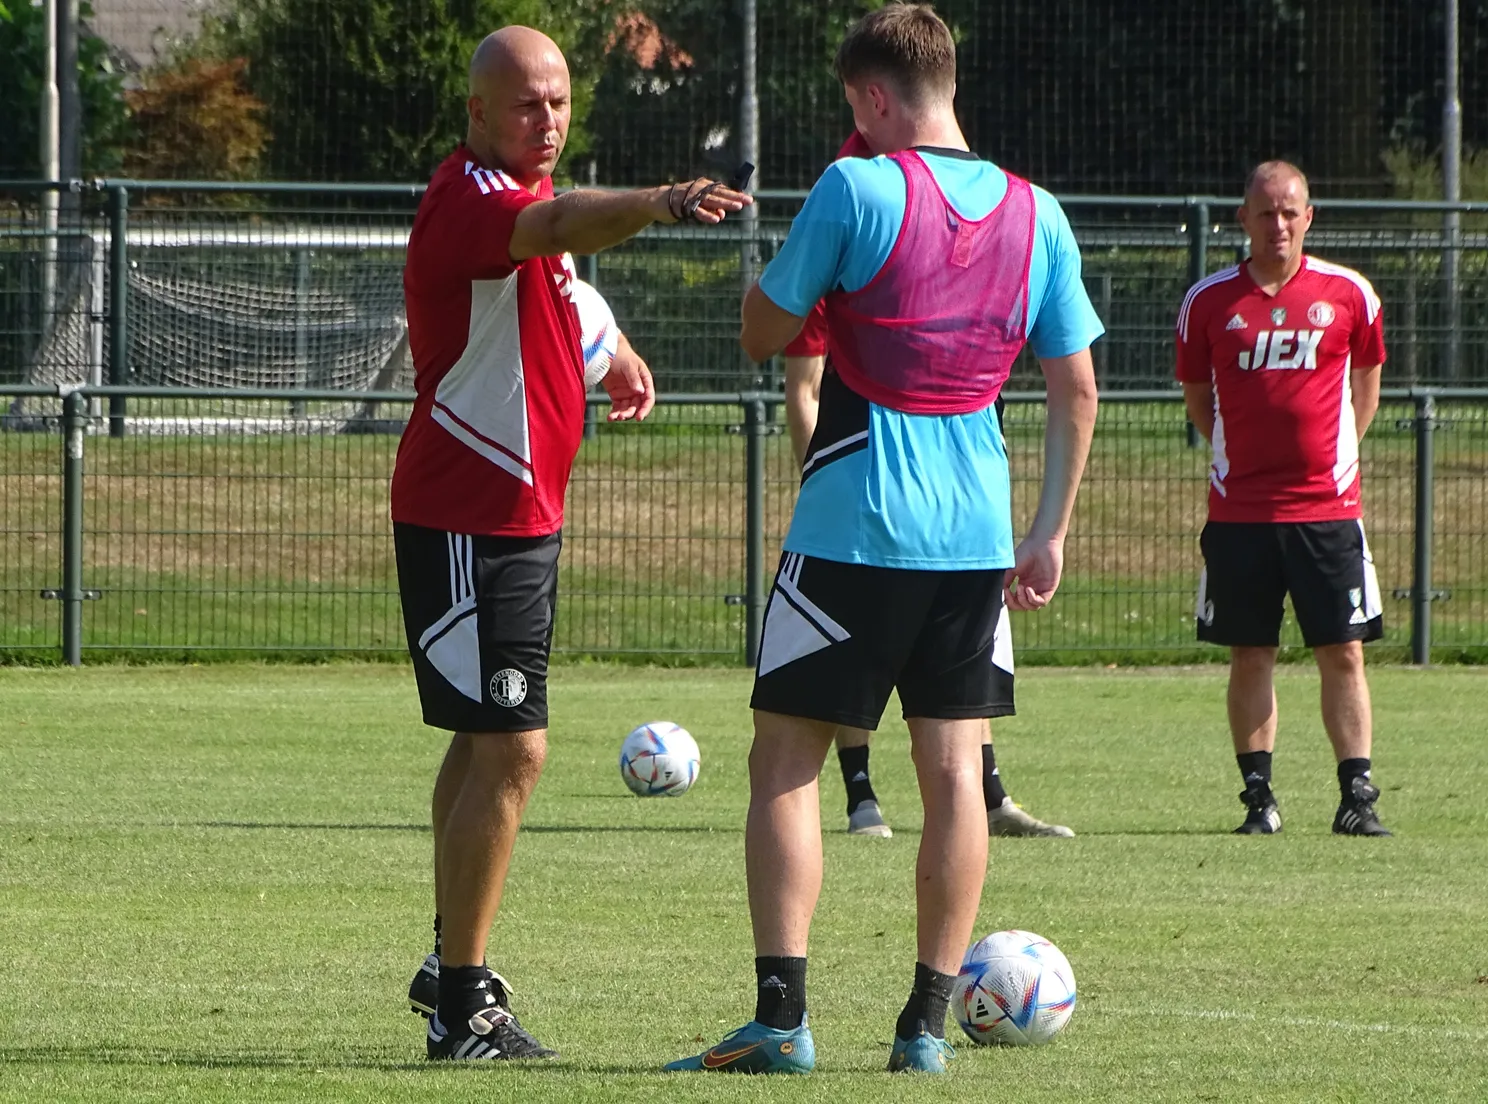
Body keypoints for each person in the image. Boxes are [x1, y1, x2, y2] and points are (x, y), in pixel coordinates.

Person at [667, 3, 1100, 1075]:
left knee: (784, 760)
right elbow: (1076, 384)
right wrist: (1047, 532)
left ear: (870, 98)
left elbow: (763, 331)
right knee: (955, 772)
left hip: (853, 522)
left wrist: (813, 287)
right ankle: (923, 1031)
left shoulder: (855, 186)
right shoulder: (1037, 211)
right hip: (976, 535)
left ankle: (782, 1019)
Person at [392, 25, 750, 1062]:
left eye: (556, 103)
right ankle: (464, 1006)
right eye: (524, 105)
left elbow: (560, 289)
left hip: (522, 519)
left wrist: (617, 352)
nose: (545, 120)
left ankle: (448, 959)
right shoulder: (471, 196)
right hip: (469, 515)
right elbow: (548, 227)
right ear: (477, 113)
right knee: (515, 745)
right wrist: (656, 199)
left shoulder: (519, 218)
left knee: (480, 737)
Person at [786, 258, 1073, 841]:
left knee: (964, 681)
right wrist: (823, 490)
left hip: (964, 509)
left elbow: (1070, 380)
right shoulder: (839, 265)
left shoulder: (989, 249)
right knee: (848, 666)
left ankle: (993, 799)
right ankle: (860, 795)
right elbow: (802, 386)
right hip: (864, 505)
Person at [1175, 160, 1390, 838]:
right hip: (1240, 514)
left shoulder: (1349, 294)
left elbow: (1367, 382)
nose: (1278, 224)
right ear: (1242, 219)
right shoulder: (1207, 302)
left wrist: (1335, 455)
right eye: (1265, 212)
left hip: (1328, 513)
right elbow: (1199, 403)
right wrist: (1243, 455)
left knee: (1344, 651)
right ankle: (1258, 797)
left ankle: (1357, 795)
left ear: (1309, 217)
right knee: (1251, 653)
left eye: (1290, 212)